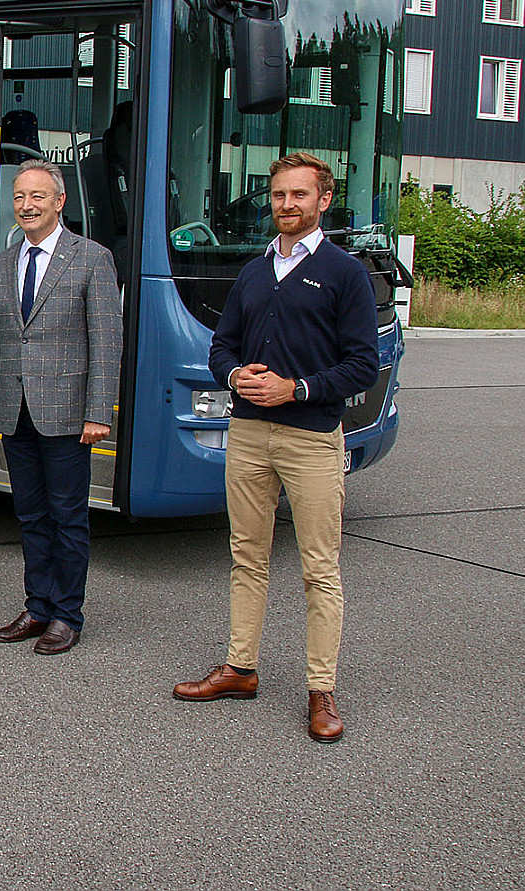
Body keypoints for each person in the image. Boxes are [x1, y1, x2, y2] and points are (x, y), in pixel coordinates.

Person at [173, 151, 380, 743]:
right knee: (247, 553)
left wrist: (298, 388)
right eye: (278, 196)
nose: (286, 205)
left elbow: (362, 364)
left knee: (319, 567)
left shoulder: (345, 274)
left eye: (299, 195)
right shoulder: (255, 271)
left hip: (311, 438)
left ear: (324, 200)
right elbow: (222, 346)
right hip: (249, 434)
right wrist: (233, 376)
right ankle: (240, 668)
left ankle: (321, 691)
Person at [0, 159, 121, 656]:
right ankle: (37, 606)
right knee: (30, 514)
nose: (26, 206)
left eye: (36, 197)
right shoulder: (4, 261)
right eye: (18, 198)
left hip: (69, 413)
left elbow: (106, 342)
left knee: (67, 516)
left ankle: (66, 615)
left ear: (59, 202)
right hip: (15, 411)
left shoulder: (92, 258)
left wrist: (100, 412)